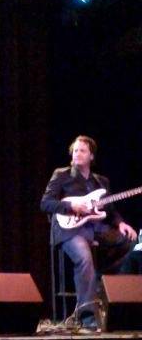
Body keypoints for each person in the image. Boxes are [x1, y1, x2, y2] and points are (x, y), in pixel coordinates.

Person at [41, 135, 137, 330]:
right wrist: (72, 206)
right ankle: (87, 316)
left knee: (132, 244)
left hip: (96, 228)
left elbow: (110, 210)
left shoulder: (101, 182)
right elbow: (46, 203)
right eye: (75, 150)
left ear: (91, 156)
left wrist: (120, 223)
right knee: (84, 258)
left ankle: (105, 290)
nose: (77, 154)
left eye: (82, 150)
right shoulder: (62, 174)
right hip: (69, 229)